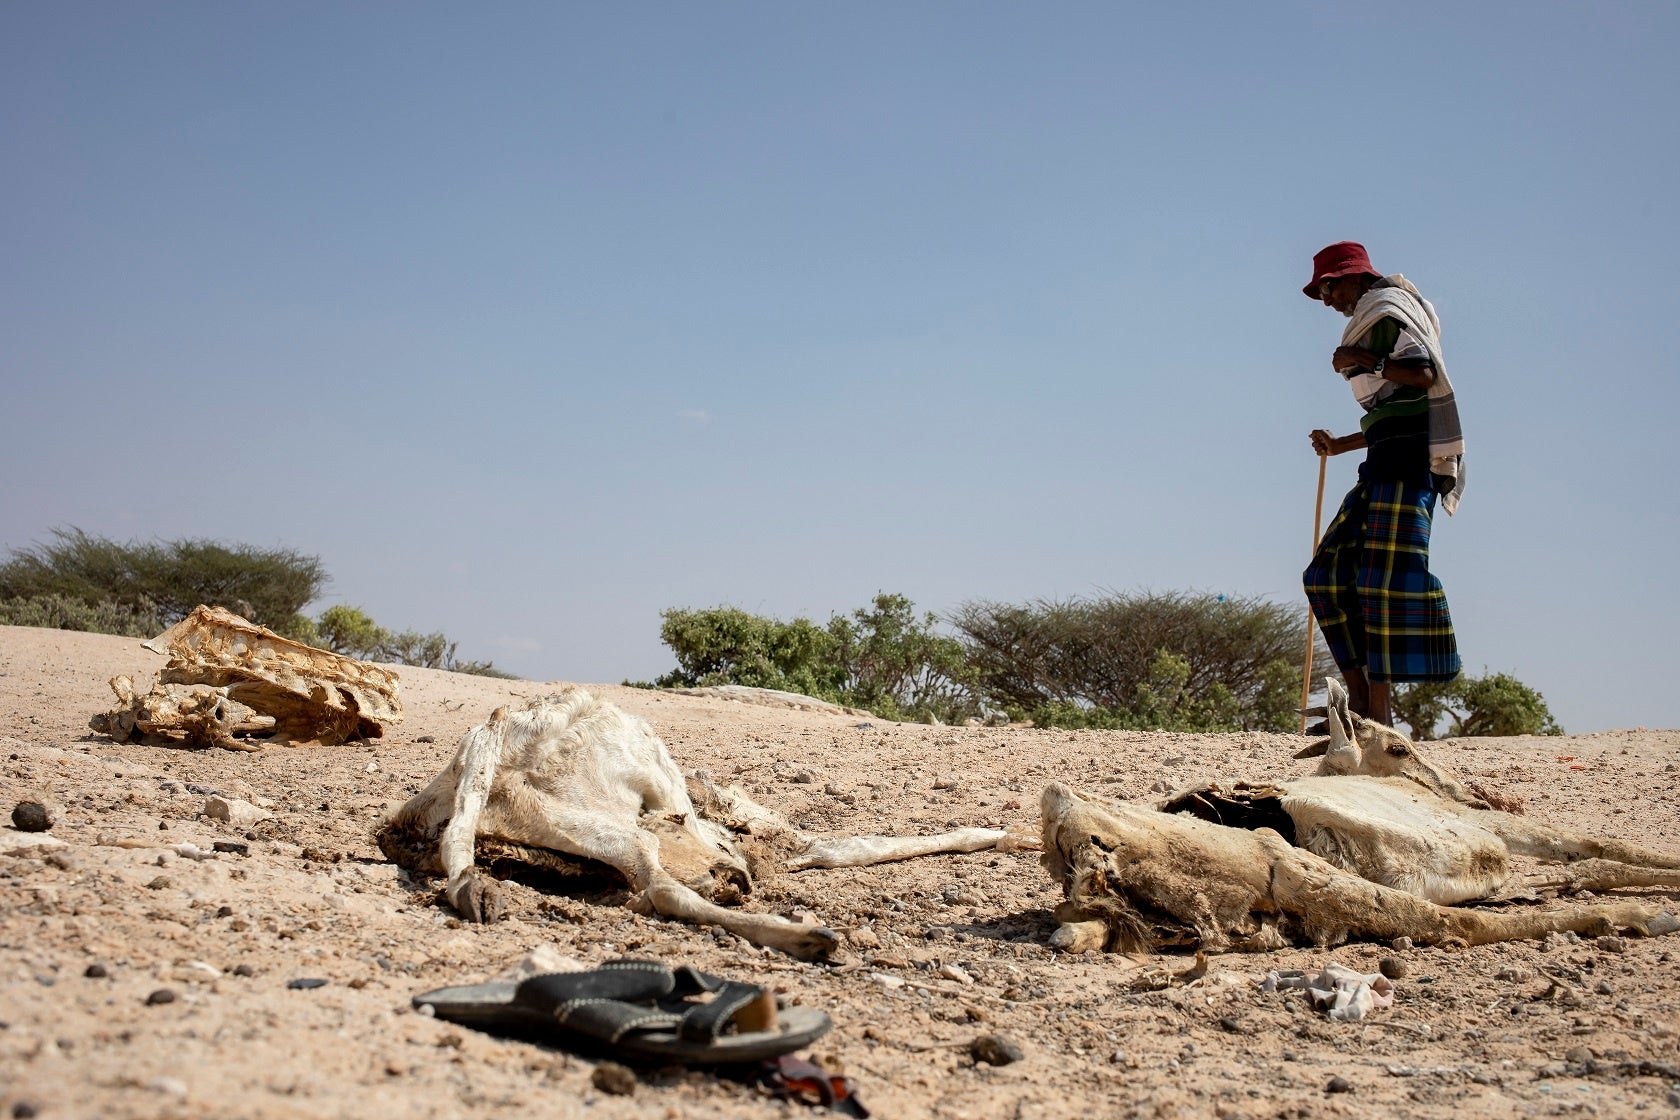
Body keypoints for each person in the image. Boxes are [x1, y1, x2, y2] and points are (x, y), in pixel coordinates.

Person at [1300, 241, 1464, 726]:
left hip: (1409, 469)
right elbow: (1391, 417)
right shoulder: (1375, 318)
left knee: (1379, 585)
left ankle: (1379, 715)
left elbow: (1423, 373)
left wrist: (1361, 358)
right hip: (1382, 464)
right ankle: (1356, 708)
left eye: (1329, 287)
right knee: (1324, 576)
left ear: (1353, 277)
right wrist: (1340, 444)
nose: (1328, 300)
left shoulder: (1388, 312)